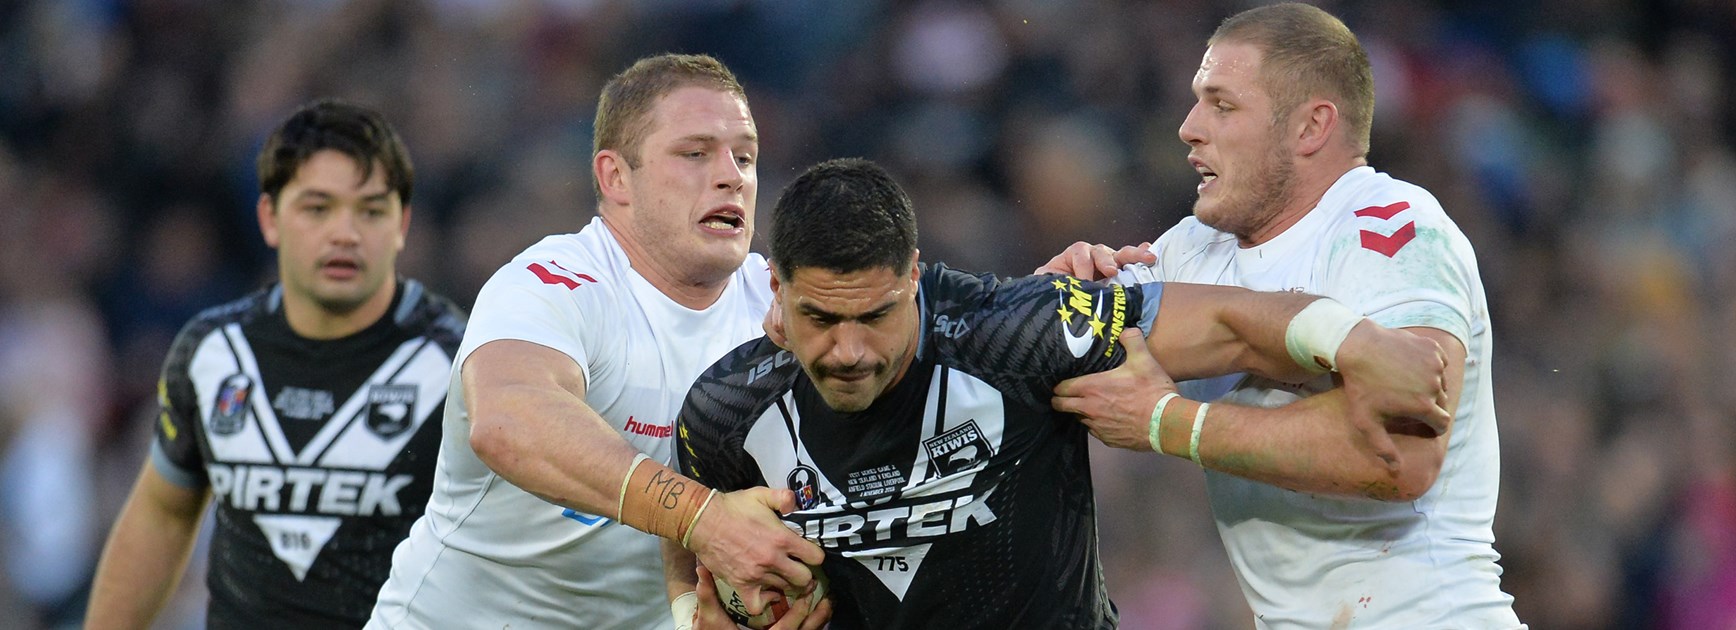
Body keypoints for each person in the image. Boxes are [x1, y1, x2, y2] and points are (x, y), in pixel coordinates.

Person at [666, 158, 1452, 629]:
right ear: (775, 286)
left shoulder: (1015, 333)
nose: (848, 350)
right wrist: (698, 614)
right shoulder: (724, 410)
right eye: (818, 318)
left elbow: (1230, 325)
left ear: (913, 275)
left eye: (875, 316)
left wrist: (1355, 343)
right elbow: (691, 538)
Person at [1039, 3, 1524, 627]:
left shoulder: (1392, 230)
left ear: (1310, 127)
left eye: (1223, 105)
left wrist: (1169, 421)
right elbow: (1052, 353)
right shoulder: (1191, 250)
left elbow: (1401, 454)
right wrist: (1059, 288)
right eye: (1196, 101)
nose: (1188, 127)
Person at [367, 53, 823, 629]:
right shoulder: (551, 284)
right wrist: (703, 518)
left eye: (746, 156)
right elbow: (508, 421)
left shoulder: (783, 312)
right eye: (695, 153)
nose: (732, 174)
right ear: (615, 177)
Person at [86, 99, 468, 628]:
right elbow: (164, 514)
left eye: (371, 210)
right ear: (269, 218)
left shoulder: (461, 365)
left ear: (402, 223)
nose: (345, 233)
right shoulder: (213, 353)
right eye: (318, 207)